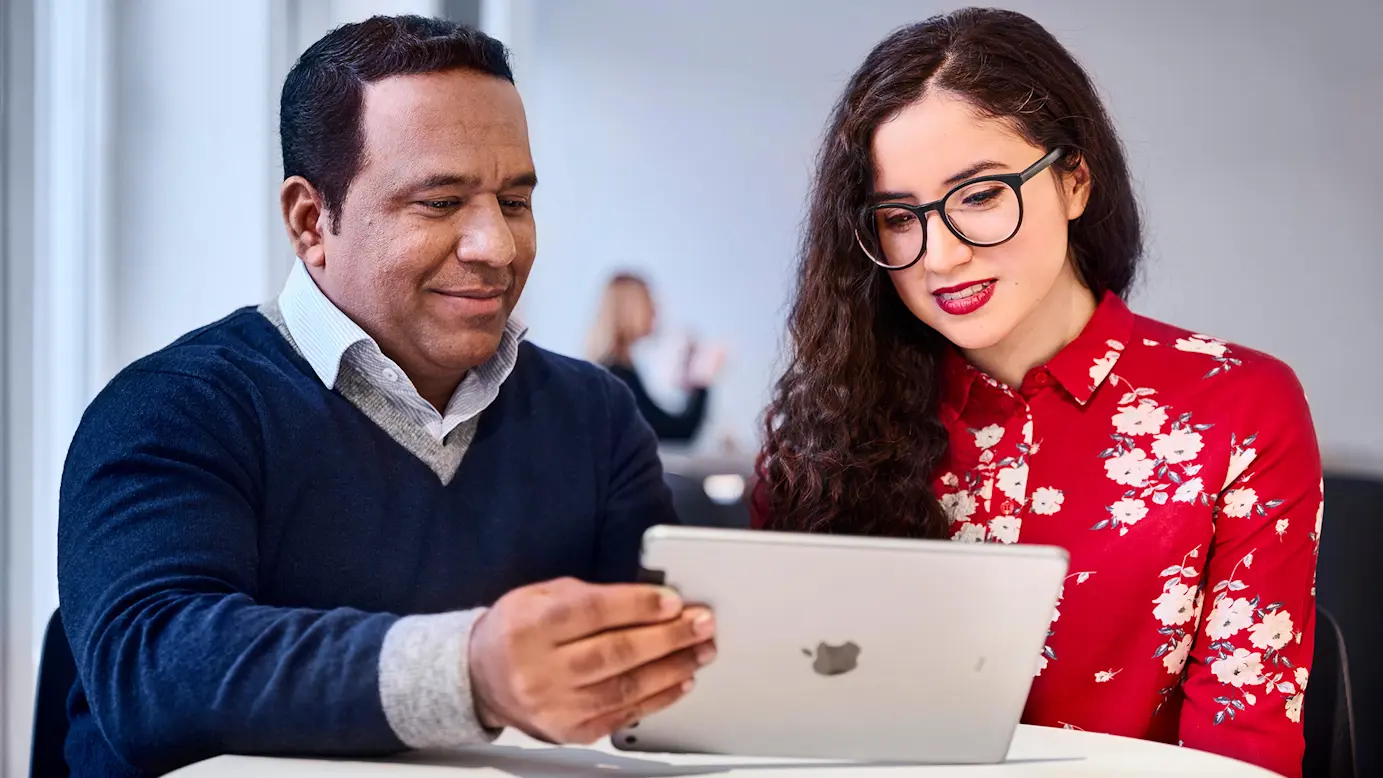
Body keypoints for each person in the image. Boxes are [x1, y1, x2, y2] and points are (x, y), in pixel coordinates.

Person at [57, 17, 715, 777]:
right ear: (311, 222)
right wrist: (471, 671)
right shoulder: (177, 407)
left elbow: (663, 686)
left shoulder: (594, 416)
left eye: (513, 201)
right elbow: (149, 670)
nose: (495, 247)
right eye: (439, 203)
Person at [751, 9, 1320, 777]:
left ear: (1073, 179)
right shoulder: (826, 427)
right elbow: (768, 721)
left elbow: (1242, 748)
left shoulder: (1237, 408)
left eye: (979, 196)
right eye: (897, 217)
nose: (941, 255)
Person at [586, 273, 723, 443]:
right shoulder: (618, 377)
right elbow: (671, 431)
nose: (655, 312)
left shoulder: (612, 371)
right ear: (630, 310)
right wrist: (701, 379)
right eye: (648, 303)